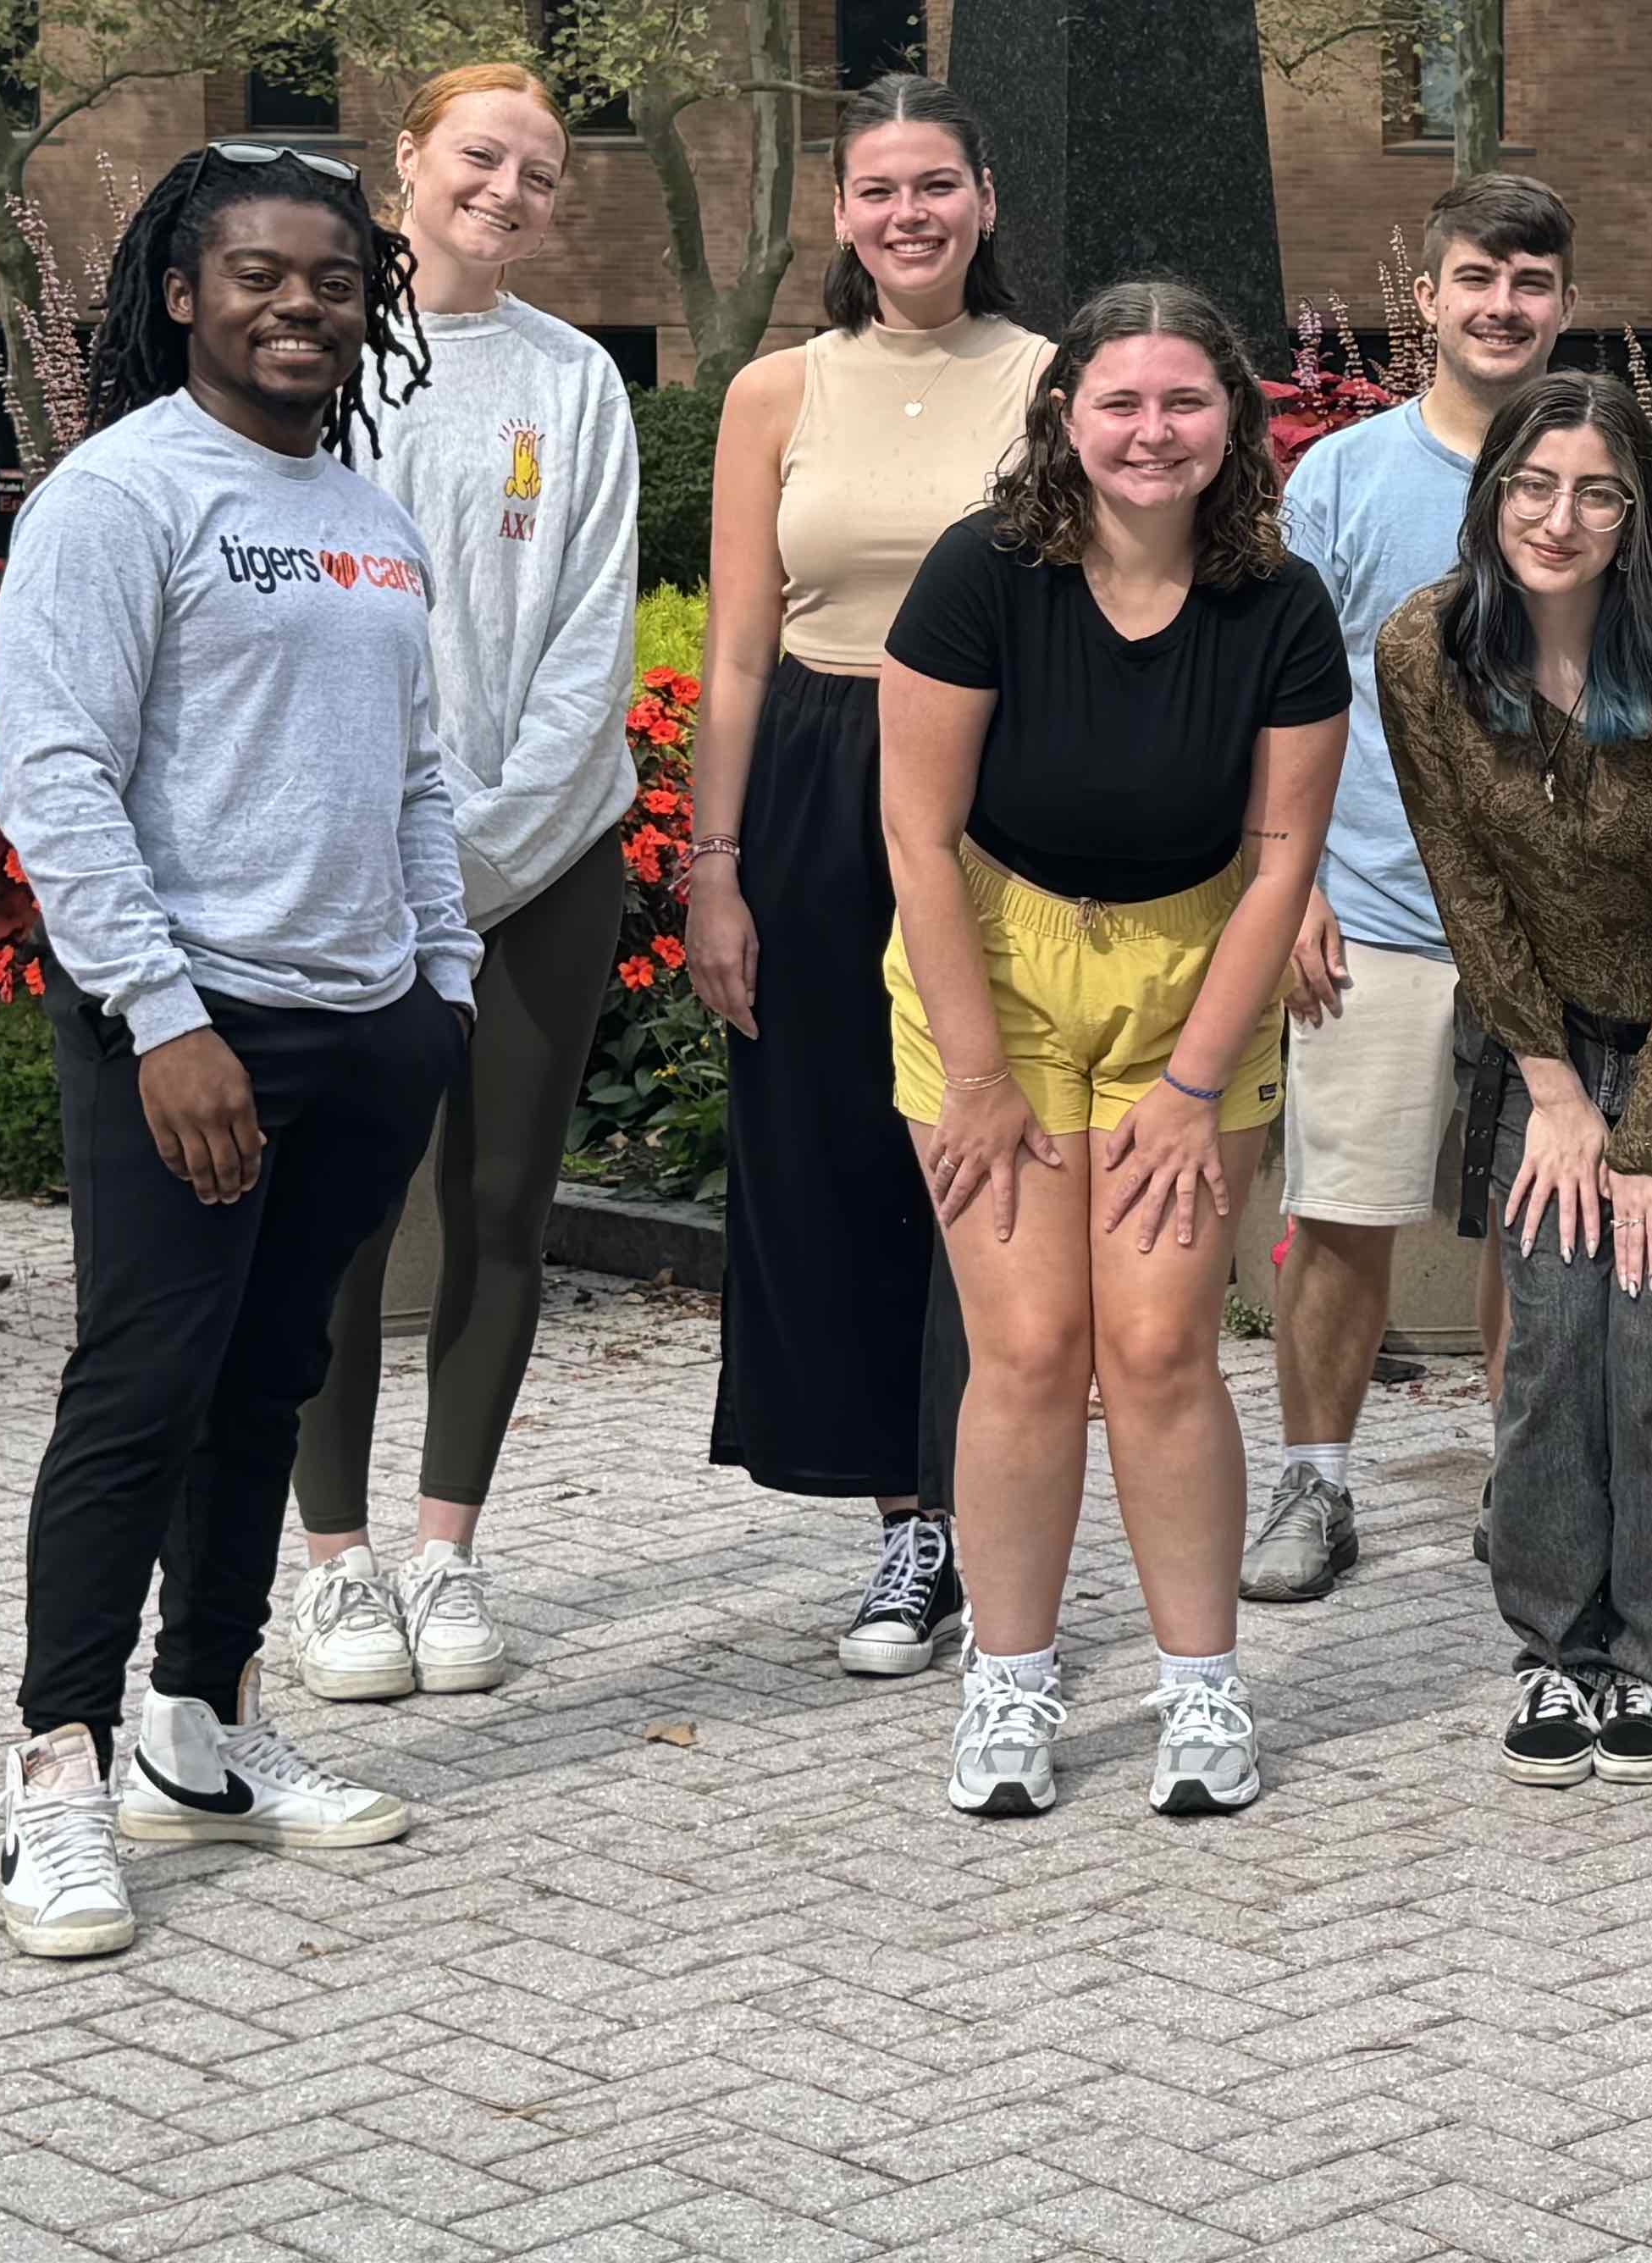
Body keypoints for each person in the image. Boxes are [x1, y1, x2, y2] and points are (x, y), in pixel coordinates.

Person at [0, 146, 472, 1959]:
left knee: (267, 1379)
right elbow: (55, 778)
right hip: (184, 1026)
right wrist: (162, 1014)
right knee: (140, 1390)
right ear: (183, 295)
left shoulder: (373, 512)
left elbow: (418, 770)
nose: (299, 305)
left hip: (363, 1028)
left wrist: (443, 987)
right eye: (258, 274)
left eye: (333, 281)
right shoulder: (119, 499)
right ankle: (55, 1768)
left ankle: (199, 1723)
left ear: (369, 305)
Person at [881, 281, 1345, 1820]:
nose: (1153, 433)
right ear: (1065, 418)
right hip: (992, 974)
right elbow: (916, 833)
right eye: (1122, 403)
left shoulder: (1278, 601)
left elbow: (1282, 858)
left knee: (1156, 1348)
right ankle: (1008, 1684)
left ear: (1235, 423)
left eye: (1185, 403)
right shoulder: (981, 574)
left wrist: (1198, 1082)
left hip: (1193, 977)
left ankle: (1201, 1691)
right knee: (1026, 1350)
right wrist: (984, 1073)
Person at [1379, 373, 1652, 1787]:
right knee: (1559, 1336)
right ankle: (1556, 1653)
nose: (1558, 519)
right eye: (1532, 485)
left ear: (1641, 517)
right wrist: (1557, 1098)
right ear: (1491, 491)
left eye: (1596, 493)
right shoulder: (1426, 651)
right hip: (1548, 1037)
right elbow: (1467, 891)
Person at [683, 75, 1041, 1679]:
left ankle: (999, 1506)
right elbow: (742, 653)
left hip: (1001, 780)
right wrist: (715, 864)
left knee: (986, 1149)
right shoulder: (777, 391)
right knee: (834, 1151)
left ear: (984, 201)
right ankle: (911, 1522)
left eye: (937, 185)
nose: (909, 215)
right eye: (879, 189)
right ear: (841, 215)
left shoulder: (1059, 381)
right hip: (824, 777)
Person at [289, 63, 638, 1703]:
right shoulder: (317, 367)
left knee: (502, 1206)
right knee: (344, 1220)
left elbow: (586, 642)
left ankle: (446, 1551)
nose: (508, 191)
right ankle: (334, 1567)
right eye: (479, 159)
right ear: (406, 161)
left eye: (540, 173)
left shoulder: (575, 387)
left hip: (543, 862)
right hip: (338, 869)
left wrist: (482, 859)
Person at [1240, 174, 1570, 1605]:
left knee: (1539, 1231)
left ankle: (1527, 1480)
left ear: (1566, 302)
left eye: (1533, 282)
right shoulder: (1344, 479)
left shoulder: (1590, 467)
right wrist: (1288, 879)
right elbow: (1280, 693)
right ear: (1426, 297)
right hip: (1372, 917)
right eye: (1478, 278)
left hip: (1555, 934)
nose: (1505, 306)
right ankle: (1315, 1489)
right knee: (1344, 1221)